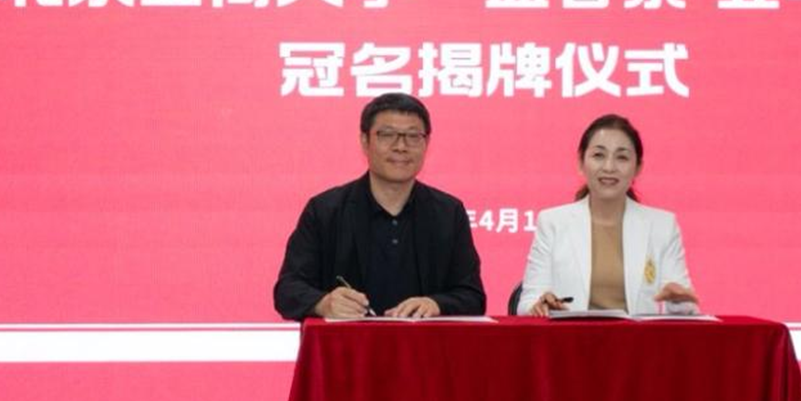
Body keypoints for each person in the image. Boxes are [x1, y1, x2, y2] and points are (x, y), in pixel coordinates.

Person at [273, 93, 486, 320]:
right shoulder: (325, 211)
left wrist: (436, 304)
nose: (401, 146)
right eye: (387, 135)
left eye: (413, 136)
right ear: (365, 141)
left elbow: (473, 297)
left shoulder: (448, 213)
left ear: (426, 143)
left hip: (423, 342)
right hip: (348, 342)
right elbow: (287, 290)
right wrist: (323, 303)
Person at [516, 113, 698, 316]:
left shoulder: (662, 225)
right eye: (598, 155)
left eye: (622, 157)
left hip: (637, 336)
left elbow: (685, 311)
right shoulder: (553, 222)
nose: (609, 167)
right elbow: (527, 303)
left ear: (638, 167)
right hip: (572, 335)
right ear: (581, 162)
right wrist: (540, 307)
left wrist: (680, 302)